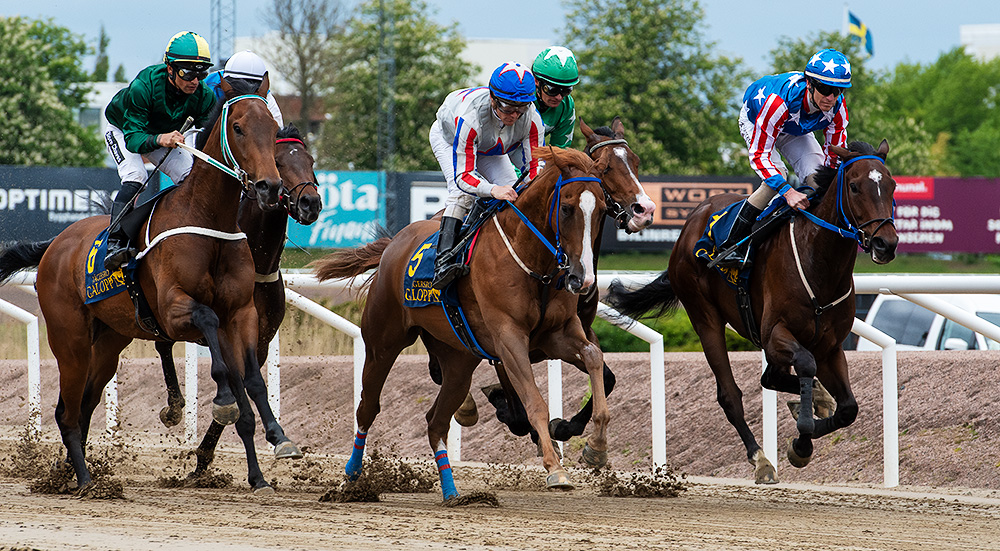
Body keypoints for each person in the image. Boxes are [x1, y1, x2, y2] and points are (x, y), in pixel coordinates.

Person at [714, 48, 851, 268]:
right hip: (758, 119)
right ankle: (730, 241)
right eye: (825, 89)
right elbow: (759, 156)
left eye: (838, 91)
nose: (830, 98)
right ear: (810, 84)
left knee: (819, 179)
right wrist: (788, 192)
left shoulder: (838, 108)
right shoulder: (777, 103)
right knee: (778, 176)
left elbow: (834, 157)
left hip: (794, 127)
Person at [102, 31, 216, 271]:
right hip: (124, 130)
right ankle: (114, 243)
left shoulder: (203, 96)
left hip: (162, 134)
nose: (195, 81)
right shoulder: (143, 86)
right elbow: (134, 140)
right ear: (170, 68)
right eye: (188, 73)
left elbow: (210, 134)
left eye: (201, 73)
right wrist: (162, 138)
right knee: (136, 176)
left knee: (191, 176)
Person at [428, 62, 545, 289]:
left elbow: (534, 171)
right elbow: (464, 177)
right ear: (493, 99)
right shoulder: (470, 118)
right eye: (508, 108)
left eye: (521, 109)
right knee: (462, 195)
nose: (514, 116)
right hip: (450, 139)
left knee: (516, 193)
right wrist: (493, 190)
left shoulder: (532, 119)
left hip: (491, 146)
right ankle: (443, 262)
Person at [203, 50, 283, 126]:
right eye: (241, 85)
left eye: (251, 85)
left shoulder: (267, 98)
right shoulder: (208, 84)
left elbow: (277, 127)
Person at [531, 46, 579, 148]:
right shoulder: (522, 97)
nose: (559, 97)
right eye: (552, 90)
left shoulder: (567, 106)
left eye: (566, 90)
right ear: (536, 81)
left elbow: (560, 150)